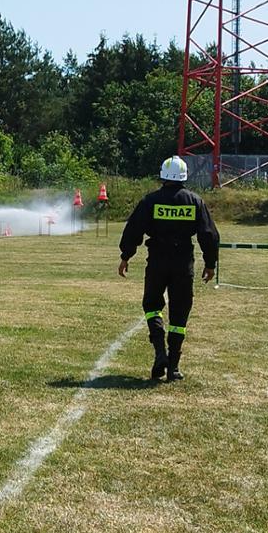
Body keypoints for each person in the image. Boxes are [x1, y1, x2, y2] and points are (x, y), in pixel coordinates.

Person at [118, 156, 220, 382]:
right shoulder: (195, 201)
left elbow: (133, 229)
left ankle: (159, 353)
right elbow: (209, 235)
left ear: (163, 175)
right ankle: (173, 366)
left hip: (157, 260)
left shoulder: (150, 201)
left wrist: (126, 256)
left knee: (152, 306)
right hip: (183, 263)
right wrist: (210, 263)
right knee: (179, 313)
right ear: (184, 176)